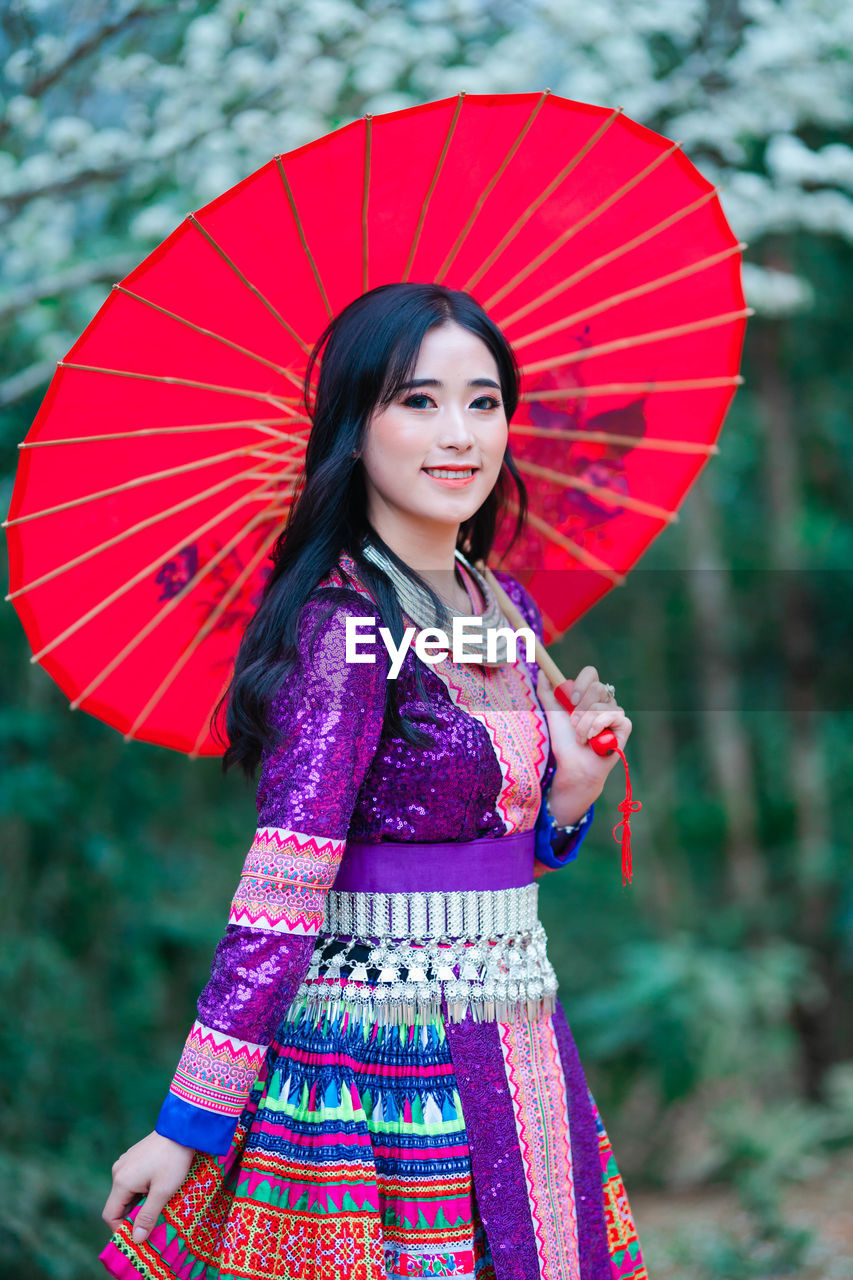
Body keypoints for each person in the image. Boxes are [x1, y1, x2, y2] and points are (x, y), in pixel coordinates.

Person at [100, 283, 647, 1280]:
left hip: (519, 1034)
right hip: (379, 1068)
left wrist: (570, 789)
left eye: (482, 402)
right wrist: (189, 1120)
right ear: (354, 428)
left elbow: (480, 848)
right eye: (418, 400)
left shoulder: (495, 600)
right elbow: (281, 889)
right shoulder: (339, 628)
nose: (459, 434)